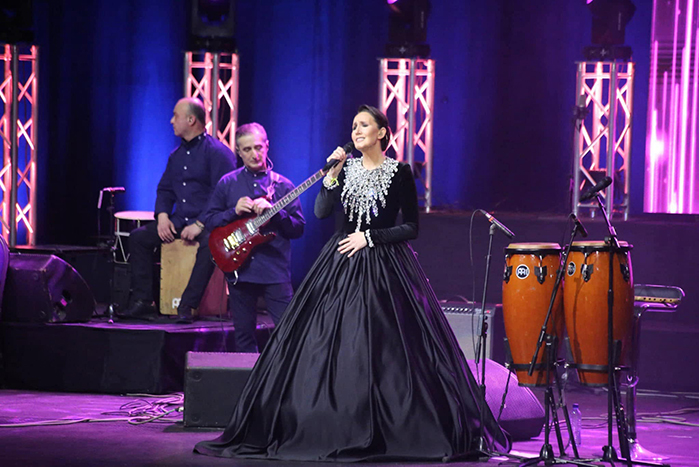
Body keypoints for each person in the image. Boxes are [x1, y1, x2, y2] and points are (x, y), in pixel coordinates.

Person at [194, 105, 511, 461]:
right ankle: (326, 421)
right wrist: (332, 176)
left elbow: (411, 228)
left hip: (387, 266)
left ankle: (395, 423)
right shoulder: (345, 170)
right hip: (340, 262)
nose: (356, 131)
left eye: (364, 125)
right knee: (322, 340)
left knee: (389, 342)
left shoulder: (400, 172)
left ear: (382, 133)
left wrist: (370, 237)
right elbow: (320, 212)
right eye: (354, 126)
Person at [121, 97, 236, 321]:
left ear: (191, 120)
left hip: (209, 222)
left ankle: (187, 304)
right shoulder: (176, 155)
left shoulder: (218, 153)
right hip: (180, 220)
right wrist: (163, 217)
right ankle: (143, 301)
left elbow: (221, 195)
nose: (171, 121)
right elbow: (165, 189)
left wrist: (200, 223)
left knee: (211, 244)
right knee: (138, 238)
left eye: (176, 116)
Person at [201, 122, 305, 352]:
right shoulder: (228, 183)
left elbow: (298, 229)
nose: (254, 154)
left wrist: (276, 213)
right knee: (244, 337)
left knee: (289, 334)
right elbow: (209, 221)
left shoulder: (283, 185)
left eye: (258, 147)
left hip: (274, 271)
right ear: (238, 151)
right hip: (240, 272)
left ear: (267, 146)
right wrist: (233, 211)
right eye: (247, 149)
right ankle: (250, 376)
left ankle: (283, 374)